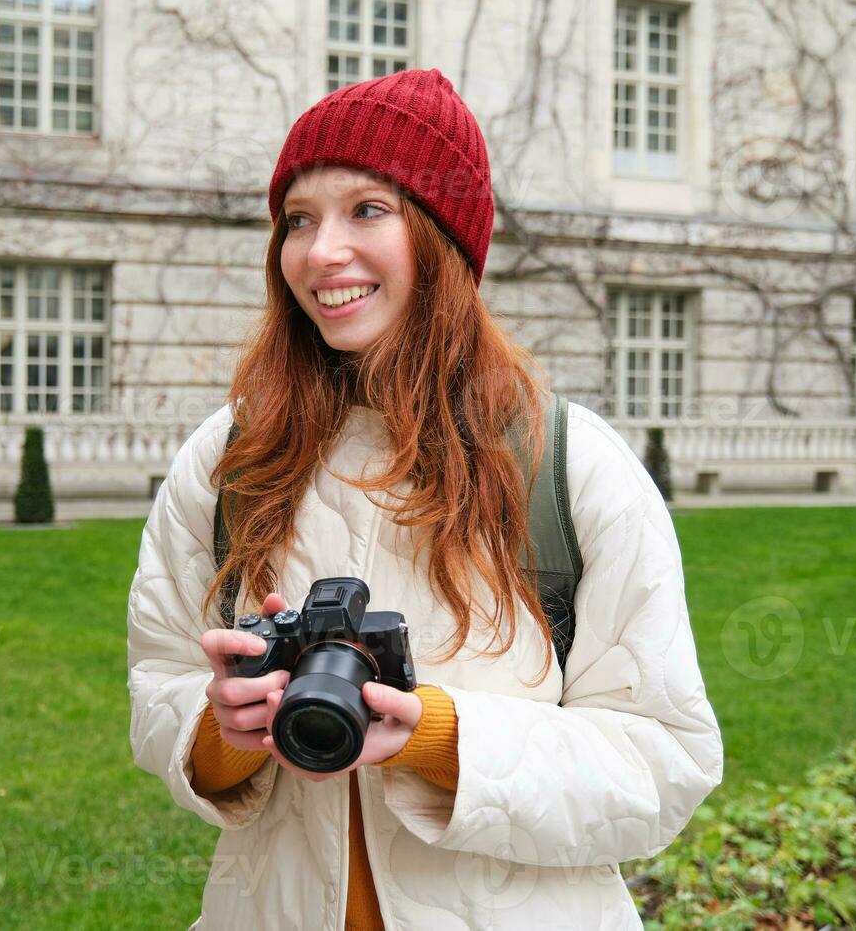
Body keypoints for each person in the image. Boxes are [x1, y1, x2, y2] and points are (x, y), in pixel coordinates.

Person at [127, 67, 723, 930]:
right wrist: (225, 727)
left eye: (368, 210)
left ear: (444, 239)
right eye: (299, 218)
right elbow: (158, 686)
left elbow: (664, 765)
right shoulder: (229, 456)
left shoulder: (569, 464)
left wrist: (437, 737)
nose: (320, 251)